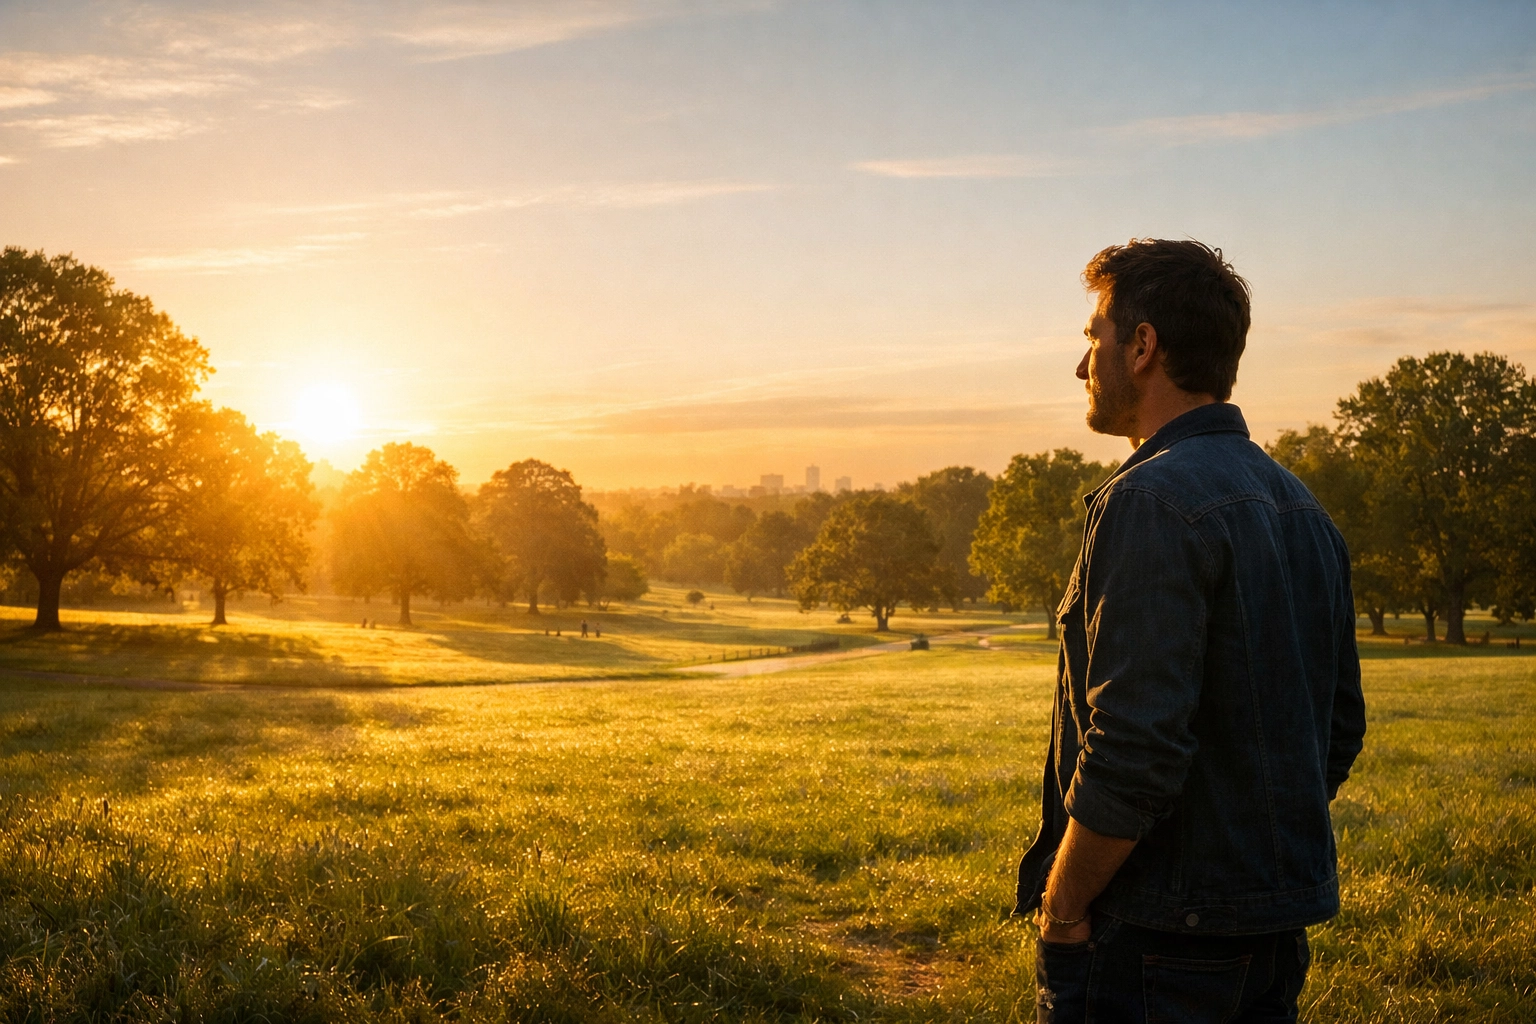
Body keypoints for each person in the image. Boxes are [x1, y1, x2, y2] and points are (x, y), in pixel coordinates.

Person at [1022, 239, 1366, 1022]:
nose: (1082, 366)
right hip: (1271, 935)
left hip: (1154, 942)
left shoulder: (1148, 500)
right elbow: (1338, 729)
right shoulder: (1303, 508)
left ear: (1142, 347)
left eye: (1092, 338)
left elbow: (1133, 750)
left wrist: (1064, 907)